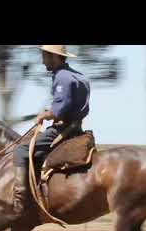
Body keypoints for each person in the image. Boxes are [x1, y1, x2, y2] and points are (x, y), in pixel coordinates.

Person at [12, 45, 91, 215]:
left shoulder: (62, 77)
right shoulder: (78, 76)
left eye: (44, 56)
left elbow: (58, 111)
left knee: (20, 150)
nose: (42, 60)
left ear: (53, 57)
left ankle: (19, 200)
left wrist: (44, 115)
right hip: (77, 128)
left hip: (64, 129)